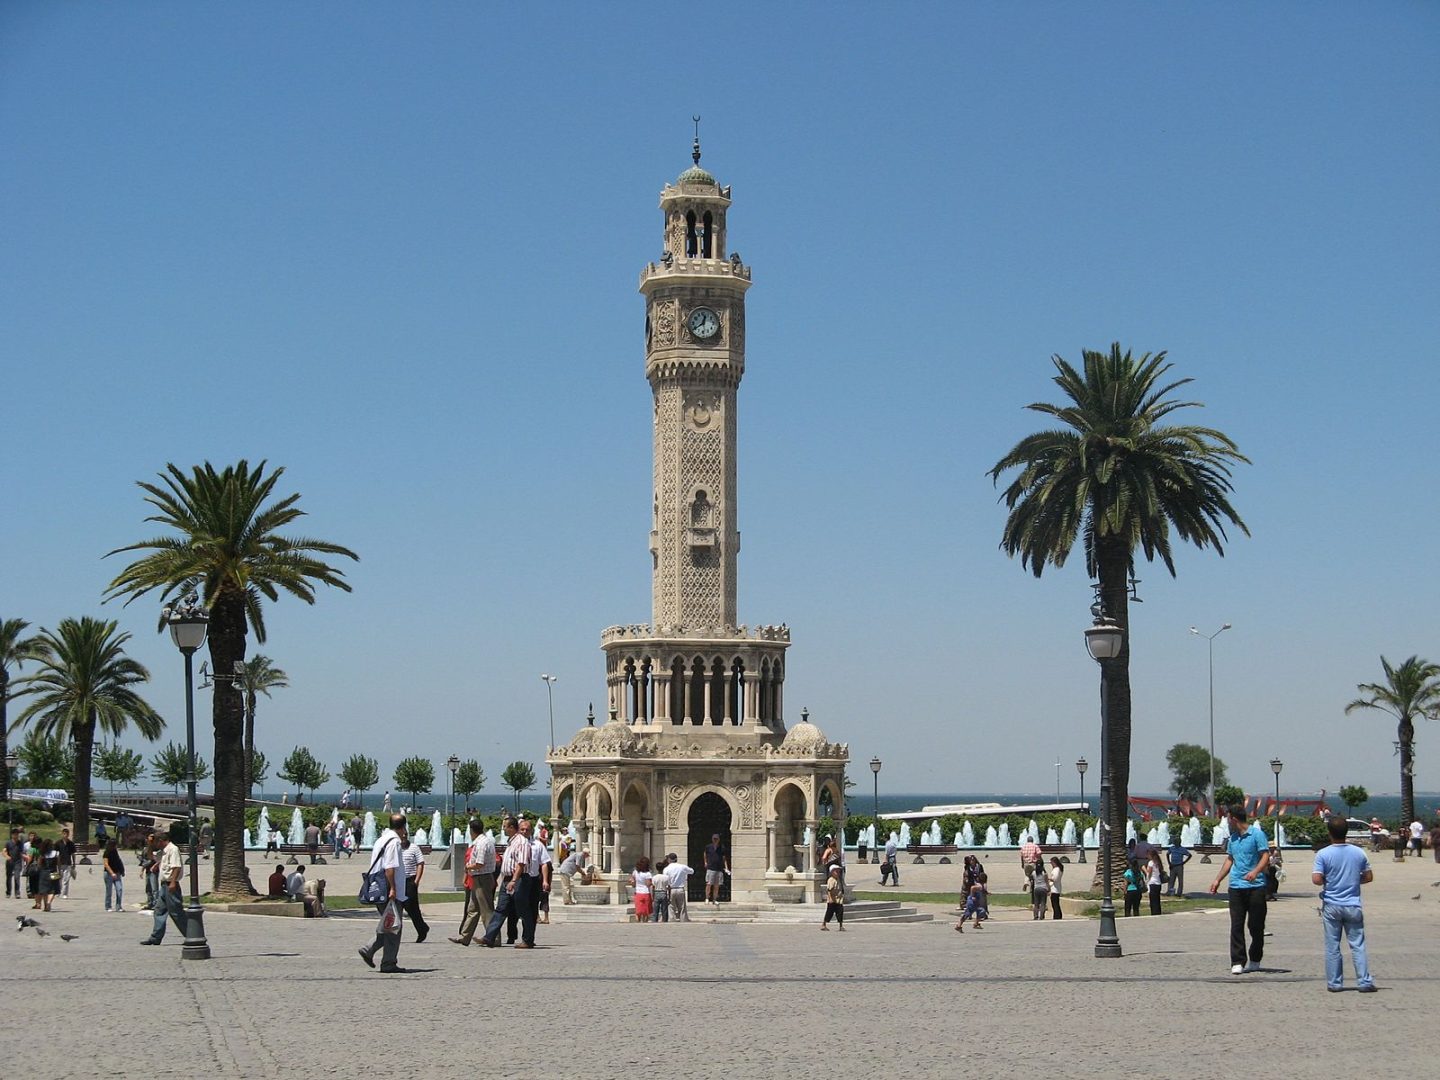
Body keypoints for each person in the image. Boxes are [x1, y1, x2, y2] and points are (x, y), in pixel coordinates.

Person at [1312, 815, 1376, 992]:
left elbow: (1316, 879)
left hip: (1332, 904)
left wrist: (1329, 880)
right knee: (1357, 944)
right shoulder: (1358, 852)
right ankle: (1364, 981)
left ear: (1329, 832)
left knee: (1333, 945)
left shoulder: (1323, 854)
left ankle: (1335, 982)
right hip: (1353, 903)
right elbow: (1369, 876)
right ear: (1346, 832)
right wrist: (1353, 880)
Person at [1209, 808, 1272, 974]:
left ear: (1234, 819)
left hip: (1256, 886)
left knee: (1256, 926)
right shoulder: (1233, 839)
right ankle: (1237, 960)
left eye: (1228, 819)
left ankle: (1256, 957)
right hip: (1236, 886)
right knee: (1236, 925)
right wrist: (1217, 879)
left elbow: (1265, 856)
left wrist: (1255, 871)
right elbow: (1230, 859)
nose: (1227, 822)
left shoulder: (1257, 835)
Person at [357, 813, 407, 973]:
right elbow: (390, 868)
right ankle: (388, 963)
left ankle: (369, 950)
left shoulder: (381, 839)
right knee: (393, 927)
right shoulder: (394, 842)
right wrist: (393, 888)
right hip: (388, 890)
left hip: (378, 888)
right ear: (403, 827)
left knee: (389, 925)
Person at [480, 818, 528, 948]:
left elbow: (521, 863)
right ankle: (489, 937)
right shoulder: (511, 842)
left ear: (512, 827)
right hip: (506, 879)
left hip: (516, 879)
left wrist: (514, 880)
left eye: (505, 826)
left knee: (523, 910)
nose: (503, 829)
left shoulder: (521, 842)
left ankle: (528, 939)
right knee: (501, 909)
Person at [451, 818, 498, 947]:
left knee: (486, 910)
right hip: (478, 878)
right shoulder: (481, 842)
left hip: (482, 878)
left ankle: (493, 937)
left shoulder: (482, 843)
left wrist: (468, 867)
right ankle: (465, 936)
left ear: (472, 830)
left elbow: (480, 863)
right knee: (473, 909)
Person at [141, 830, 186, 945]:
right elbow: (151, 856)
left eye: (156, 842)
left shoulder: (173, 849)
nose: (155, 844)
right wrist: (150, 844)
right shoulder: (164, 852)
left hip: (171, 885)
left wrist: (173, 882)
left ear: (161, 841)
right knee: (159, 911)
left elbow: (176, 866)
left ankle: (190, 935)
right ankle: (155, 937)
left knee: (176, 912)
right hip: (164, 885)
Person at [400, 834, 429, 942]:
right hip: (398, 881)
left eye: (405, 835)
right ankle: (395, 934)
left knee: (411, 907)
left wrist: (416, 881)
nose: (403, 837)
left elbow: (420, 864)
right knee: (397, 907)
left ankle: (422, 928)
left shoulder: (414, 848)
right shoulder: (395, 847)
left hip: (410, 880)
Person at [664, 854, 693, 922]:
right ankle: (683, 919)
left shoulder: (666, 869)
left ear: (669, 859)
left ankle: (671, 919)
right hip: (680, 889)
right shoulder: (682, 867)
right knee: (682, 906)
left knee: (671, 906)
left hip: (671, 889)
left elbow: (665, 880)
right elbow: (692, 871)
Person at [33, 839, 59, 912]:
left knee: (45, 890)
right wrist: (60, 872)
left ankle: (45, 906)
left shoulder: (42, 854)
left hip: (44, 873)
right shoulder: (56, 853)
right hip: (54, 872)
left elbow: (39, 865)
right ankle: (49, 902)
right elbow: (58, 864)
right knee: (53, 889)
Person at [704, 832, 730, 904]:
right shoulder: (708, 847)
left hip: (719, 869)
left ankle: (714, 899)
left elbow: (724, 858)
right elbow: (705, 854)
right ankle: (707, 898)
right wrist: (705, 862)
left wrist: (726, 867)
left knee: (717, 885)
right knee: (709, 884)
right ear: (712, 839)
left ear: (719, 839)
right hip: (711, 868)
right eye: (714, 839)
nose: (715, 840)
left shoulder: (722, 847)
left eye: (716, 839)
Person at [102, 840, 126, 912]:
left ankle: (118, 906)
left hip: (117, 873)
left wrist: (122, 871)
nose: (115, 846)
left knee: (120, 889)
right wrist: (112, 873)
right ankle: (108, 906)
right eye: (114, 845)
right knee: (109, 891)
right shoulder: (106, 853)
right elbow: (106, 864)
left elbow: (118, 861)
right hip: (108, 874)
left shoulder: (115, 852)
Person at [821, 864, 845, 931]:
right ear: (831, 872)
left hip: (838, 900)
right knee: (829, 913)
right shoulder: (831, 880)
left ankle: (841, 925)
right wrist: (831, 898)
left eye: (838, 871)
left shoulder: (838, 880)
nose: (838, 872)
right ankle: (824, 924)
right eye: (836, 871)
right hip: (833, 900)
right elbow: (829, 890)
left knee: (840, 912)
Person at [649, 854, 671, 922]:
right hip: (664, 892)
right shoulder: (666, 877)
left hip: (657, 892)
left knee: (656, 909)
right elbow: (668, 887)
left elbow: (652, 887)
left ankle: (655, 920)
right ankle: (664, 920)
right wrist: (669, 896)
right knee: (664, 909)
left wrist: (652, 895)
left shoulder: (654, 877)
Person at [631, 856, 653, 922]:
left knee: (638, 910)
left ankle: (638, 921)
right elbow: (648, 884)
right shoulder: (647, 874)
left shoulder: (635, 872)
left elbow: (633, 882)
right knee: (646, 911)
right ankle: (644, 921)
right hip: (646, 892)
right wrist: (652, 882)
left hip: (638, 892)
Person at [57, 828, 76, 897]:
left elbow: (73, 854)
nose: (66, 835)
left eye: (67, 834)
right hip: (59, 863)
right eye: (64, 834)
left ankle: (65, 894)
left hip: (68, 863)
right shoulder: (58, 843)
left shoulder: (71, 843)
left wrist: (74, 863)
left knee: (66, 879)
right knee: (58, 878)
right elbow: (55, 853)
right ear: (62, 834)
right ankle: (58, 892)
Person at [5, 828, 23, 898]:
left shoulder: (20, 843)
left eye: (17, 834)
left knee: (17, 877)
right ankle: (8, 892)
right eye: (15, 834)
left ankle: (17, 892)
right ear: (12, 835)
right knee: (9, 877)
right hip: (10, 862)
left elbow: (21, 852)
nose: (16, 836)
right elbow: (4, 851)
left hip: (18, 862)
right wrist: (7, 856)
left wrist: (26, 857)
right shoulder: (8, 843)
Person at [1145, 849, 1165, 915]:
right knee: (1157, 899)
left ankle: (1154, 912)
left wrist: (1147, 880)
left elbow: (1149, 873)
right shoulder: (1158, 862)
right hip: (1158, 882)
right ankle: (1158, 912)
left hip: (1152, 882)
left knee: (1153, 900)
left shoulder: (1151, 863)